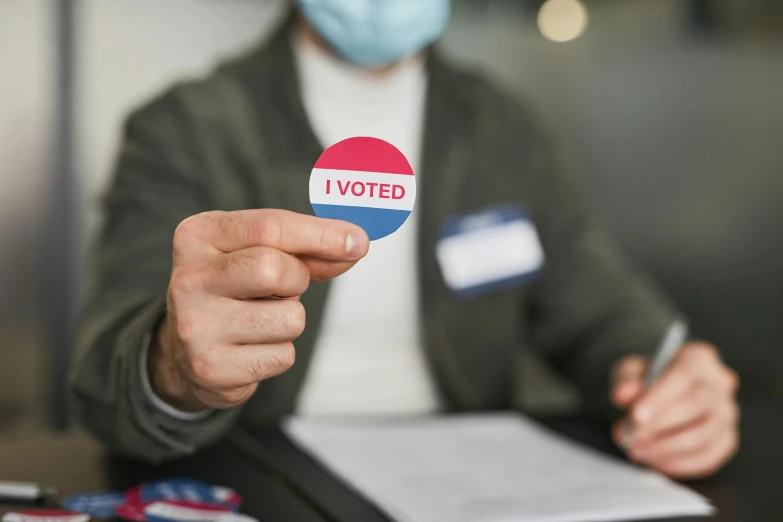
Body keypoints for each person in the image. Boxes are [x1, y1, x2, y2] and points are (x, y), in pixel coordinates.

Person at [70, 0, 739, 479]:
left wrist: (661, 378)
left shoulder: (502, 126)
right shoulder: (184, 126)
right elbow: (105, 370)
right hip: (257, 478)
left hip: (469, 485)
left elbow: (598, 305)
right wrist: (173, 366)